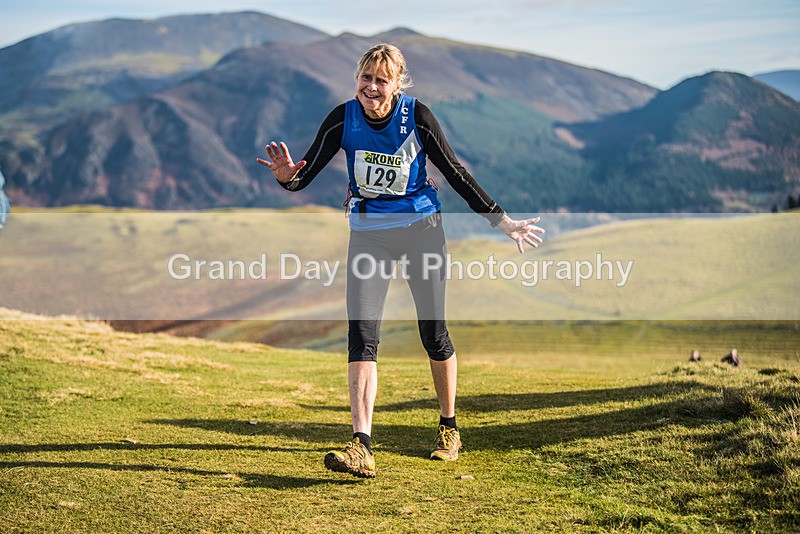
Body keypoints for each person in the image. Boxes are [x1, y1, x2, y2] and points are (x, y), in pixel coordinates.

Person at [258, 43, 544, 478]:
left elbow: (455, 172)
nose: (371, 88)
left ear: (397, 84)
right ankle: (361, 445)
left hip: (420, 232)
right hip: (369, 236)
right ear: (357, 79)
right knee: (362, 335)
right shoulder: (343, 118)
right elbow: (303, 176)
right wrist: (285, 179)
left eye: (381, 80)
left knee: (433, 332)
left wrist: (502, 222)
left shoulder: (417, 117)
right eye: (365, 78)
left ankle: (449, 427)